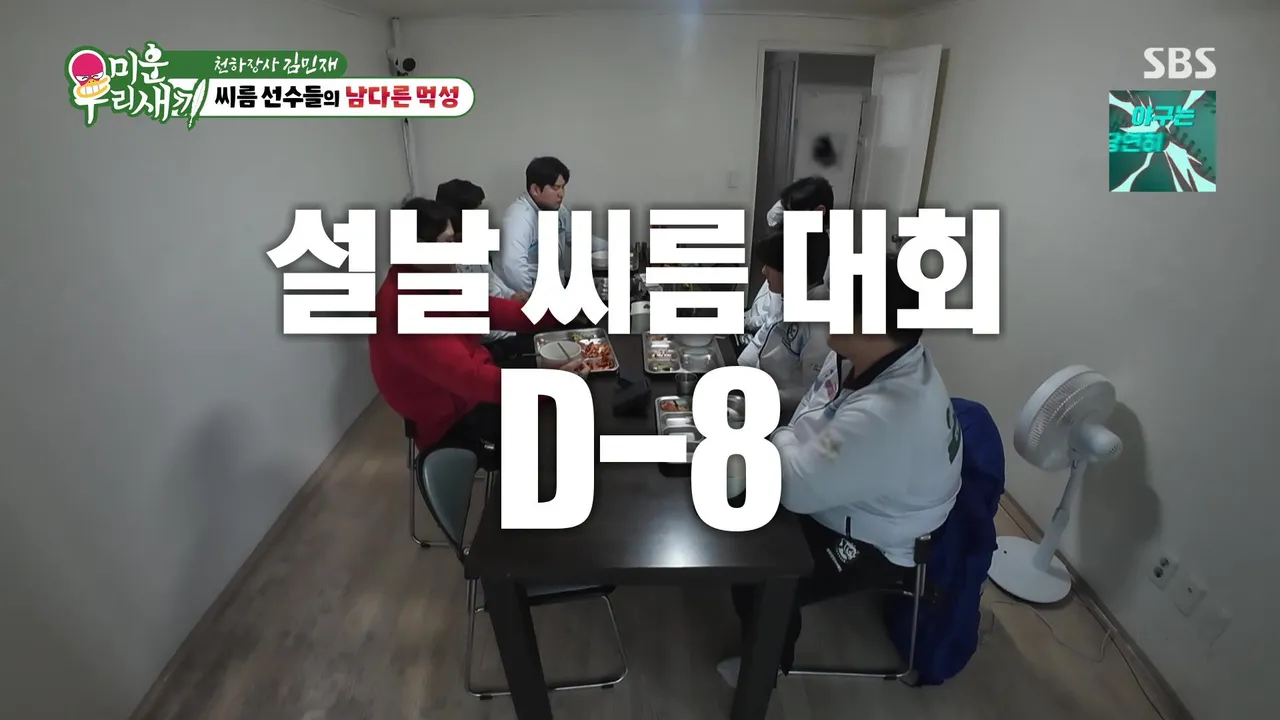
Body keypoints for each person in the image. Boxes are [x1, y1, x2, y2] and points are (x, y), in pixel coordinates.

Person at [717, 255, 963, 688]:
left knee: (759, 561)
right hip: (834, 479)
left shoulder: (890, 413)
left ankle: (765, 669)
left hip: (875, 538)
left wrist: (774, 433)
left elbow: (794, 486)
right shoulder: (864, 356)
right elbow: (810, 413)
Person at [369, 197, 588, 455]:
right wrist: (554, 387)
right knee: (557, 424)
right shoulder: (402, 311)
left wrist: (558, 313)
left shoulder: (429, 276)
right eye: (449, 242)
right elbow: (473, 379)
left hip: (471, 390)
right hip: (452, 423)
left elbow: (490, 309)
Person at [737, 227, 832, 418]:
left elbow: (811, 392)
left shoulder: (820, 324)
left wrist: (760, 397)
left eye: (769, 265)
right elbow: (760, 341)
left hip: (782, 415)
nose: (763, 271)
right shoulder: (785, 298)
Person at [435, 179, 529, 358]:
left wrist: (512, 297)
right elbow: (475, 324)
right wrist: (513, 328)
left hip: (505, 323)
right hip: (491, 340)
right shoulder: (445, 265)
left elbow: (491, 278)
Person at [495, 156, 607, 295]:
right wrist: (533, 298)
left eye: (563, 187)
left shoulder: (558, 211)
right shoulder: (519, 218)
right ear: (535, 189)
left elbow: (578, 238)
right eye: (555, 188)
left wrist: (615, 249)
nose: (561, 194)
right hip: (526, 296)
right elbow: (513, 266)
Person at [744, 176, 834, 334]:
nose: (785, 218)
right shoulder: (790, 236)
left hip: (764, 331)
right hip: (755, 321)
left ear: (819, 212)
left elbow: (778, 318)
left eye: (792, 212)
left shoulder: (819, 257)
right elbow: (772, 217)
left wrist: (744, 324)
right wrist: (791, 198)